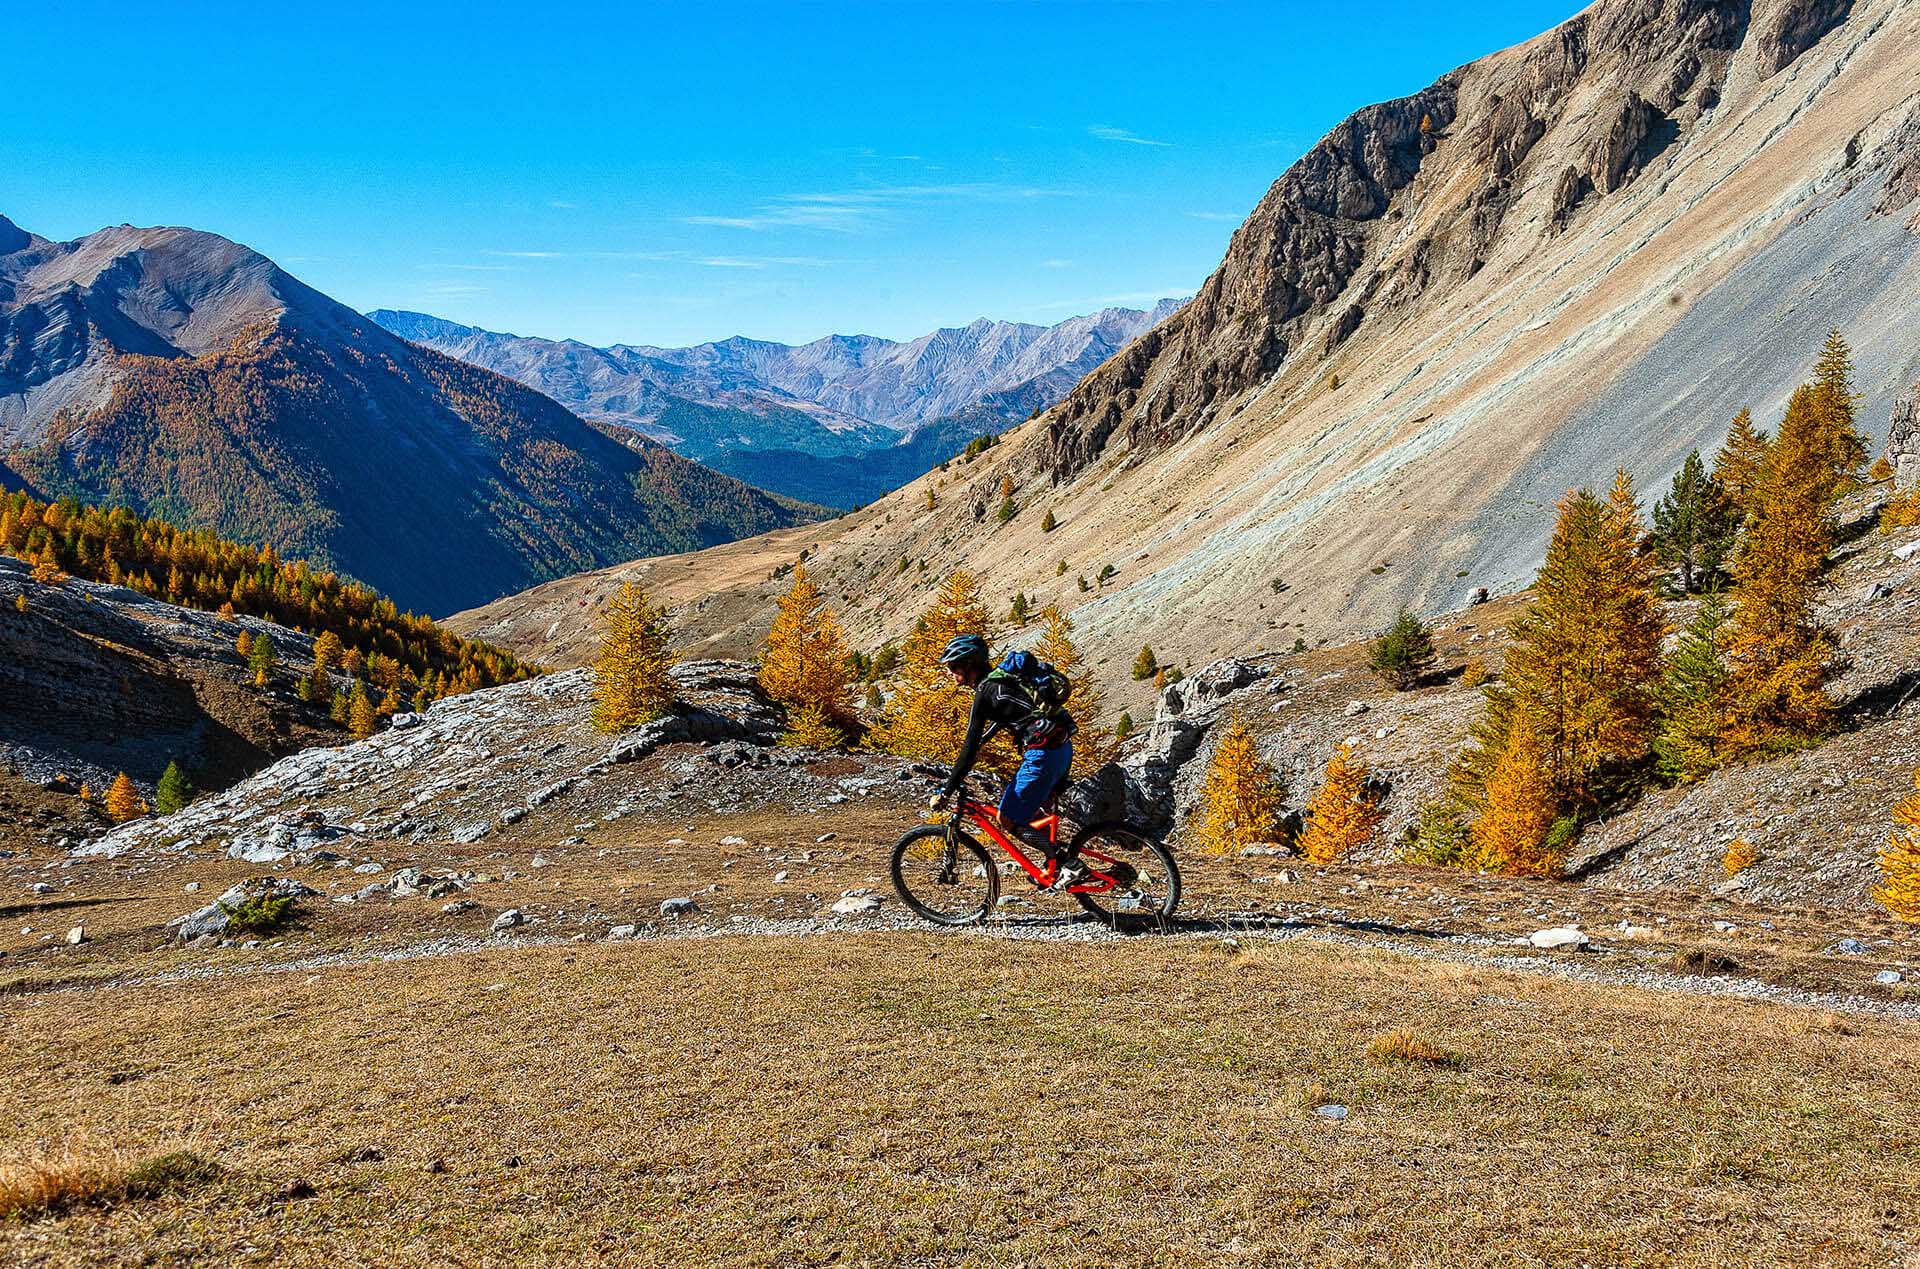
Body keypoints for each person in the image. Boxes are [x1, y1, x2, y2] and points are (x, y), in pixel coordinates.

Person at [925, 633, 1083, 888]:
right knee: (1034, 813)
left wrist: (947, 791)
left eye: (954, 667)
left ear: (969, 665)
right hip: (1062, 749)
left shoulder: (985, 693)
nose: (951, 673)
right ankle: (1053, 866)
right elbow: (1008, 715)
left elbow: (968, 749)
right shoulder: (1003, 681)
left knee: (1007, 818)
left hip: (1042, 755)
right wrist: (984, 741)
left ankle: (1069, 863)